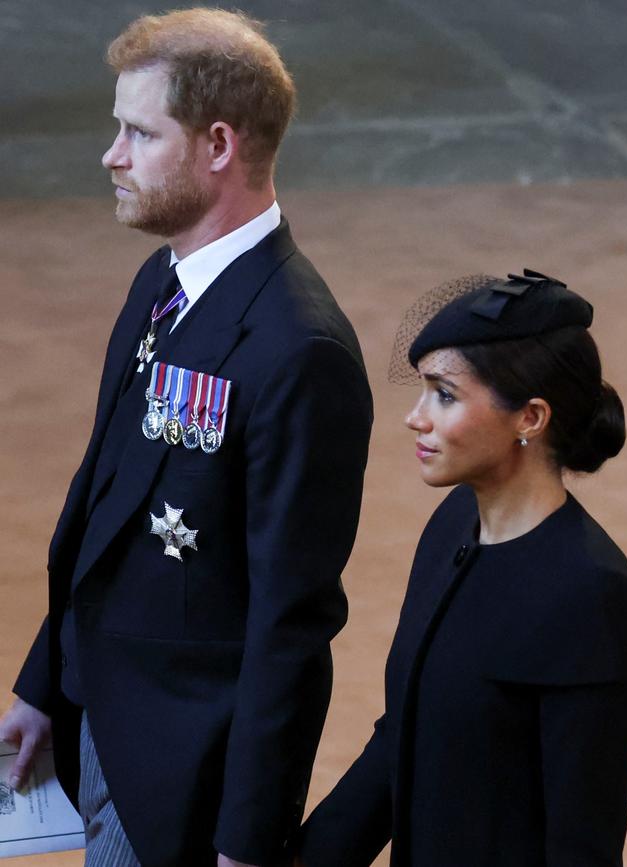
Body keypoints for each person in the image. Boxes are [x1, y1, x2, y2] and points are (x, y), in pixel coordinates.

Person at [0, 9, 372, 867]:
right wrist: (46, 681)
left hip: (181, 783)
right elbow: (106, 500)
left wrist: (247, 838)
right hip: (99, 719)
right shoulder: (162, 282)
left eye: (138, 131)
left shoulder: (298, 350)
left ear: (216, 145)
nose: (111, 155)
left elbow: (292, 624)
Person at [298, 269, 627, 866]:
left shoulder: (592, 597)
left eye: (445, 394)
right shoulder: (451, 527)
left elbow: (581, 847)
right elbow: (405, 736)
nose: (416, 417)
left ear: (530, 418)